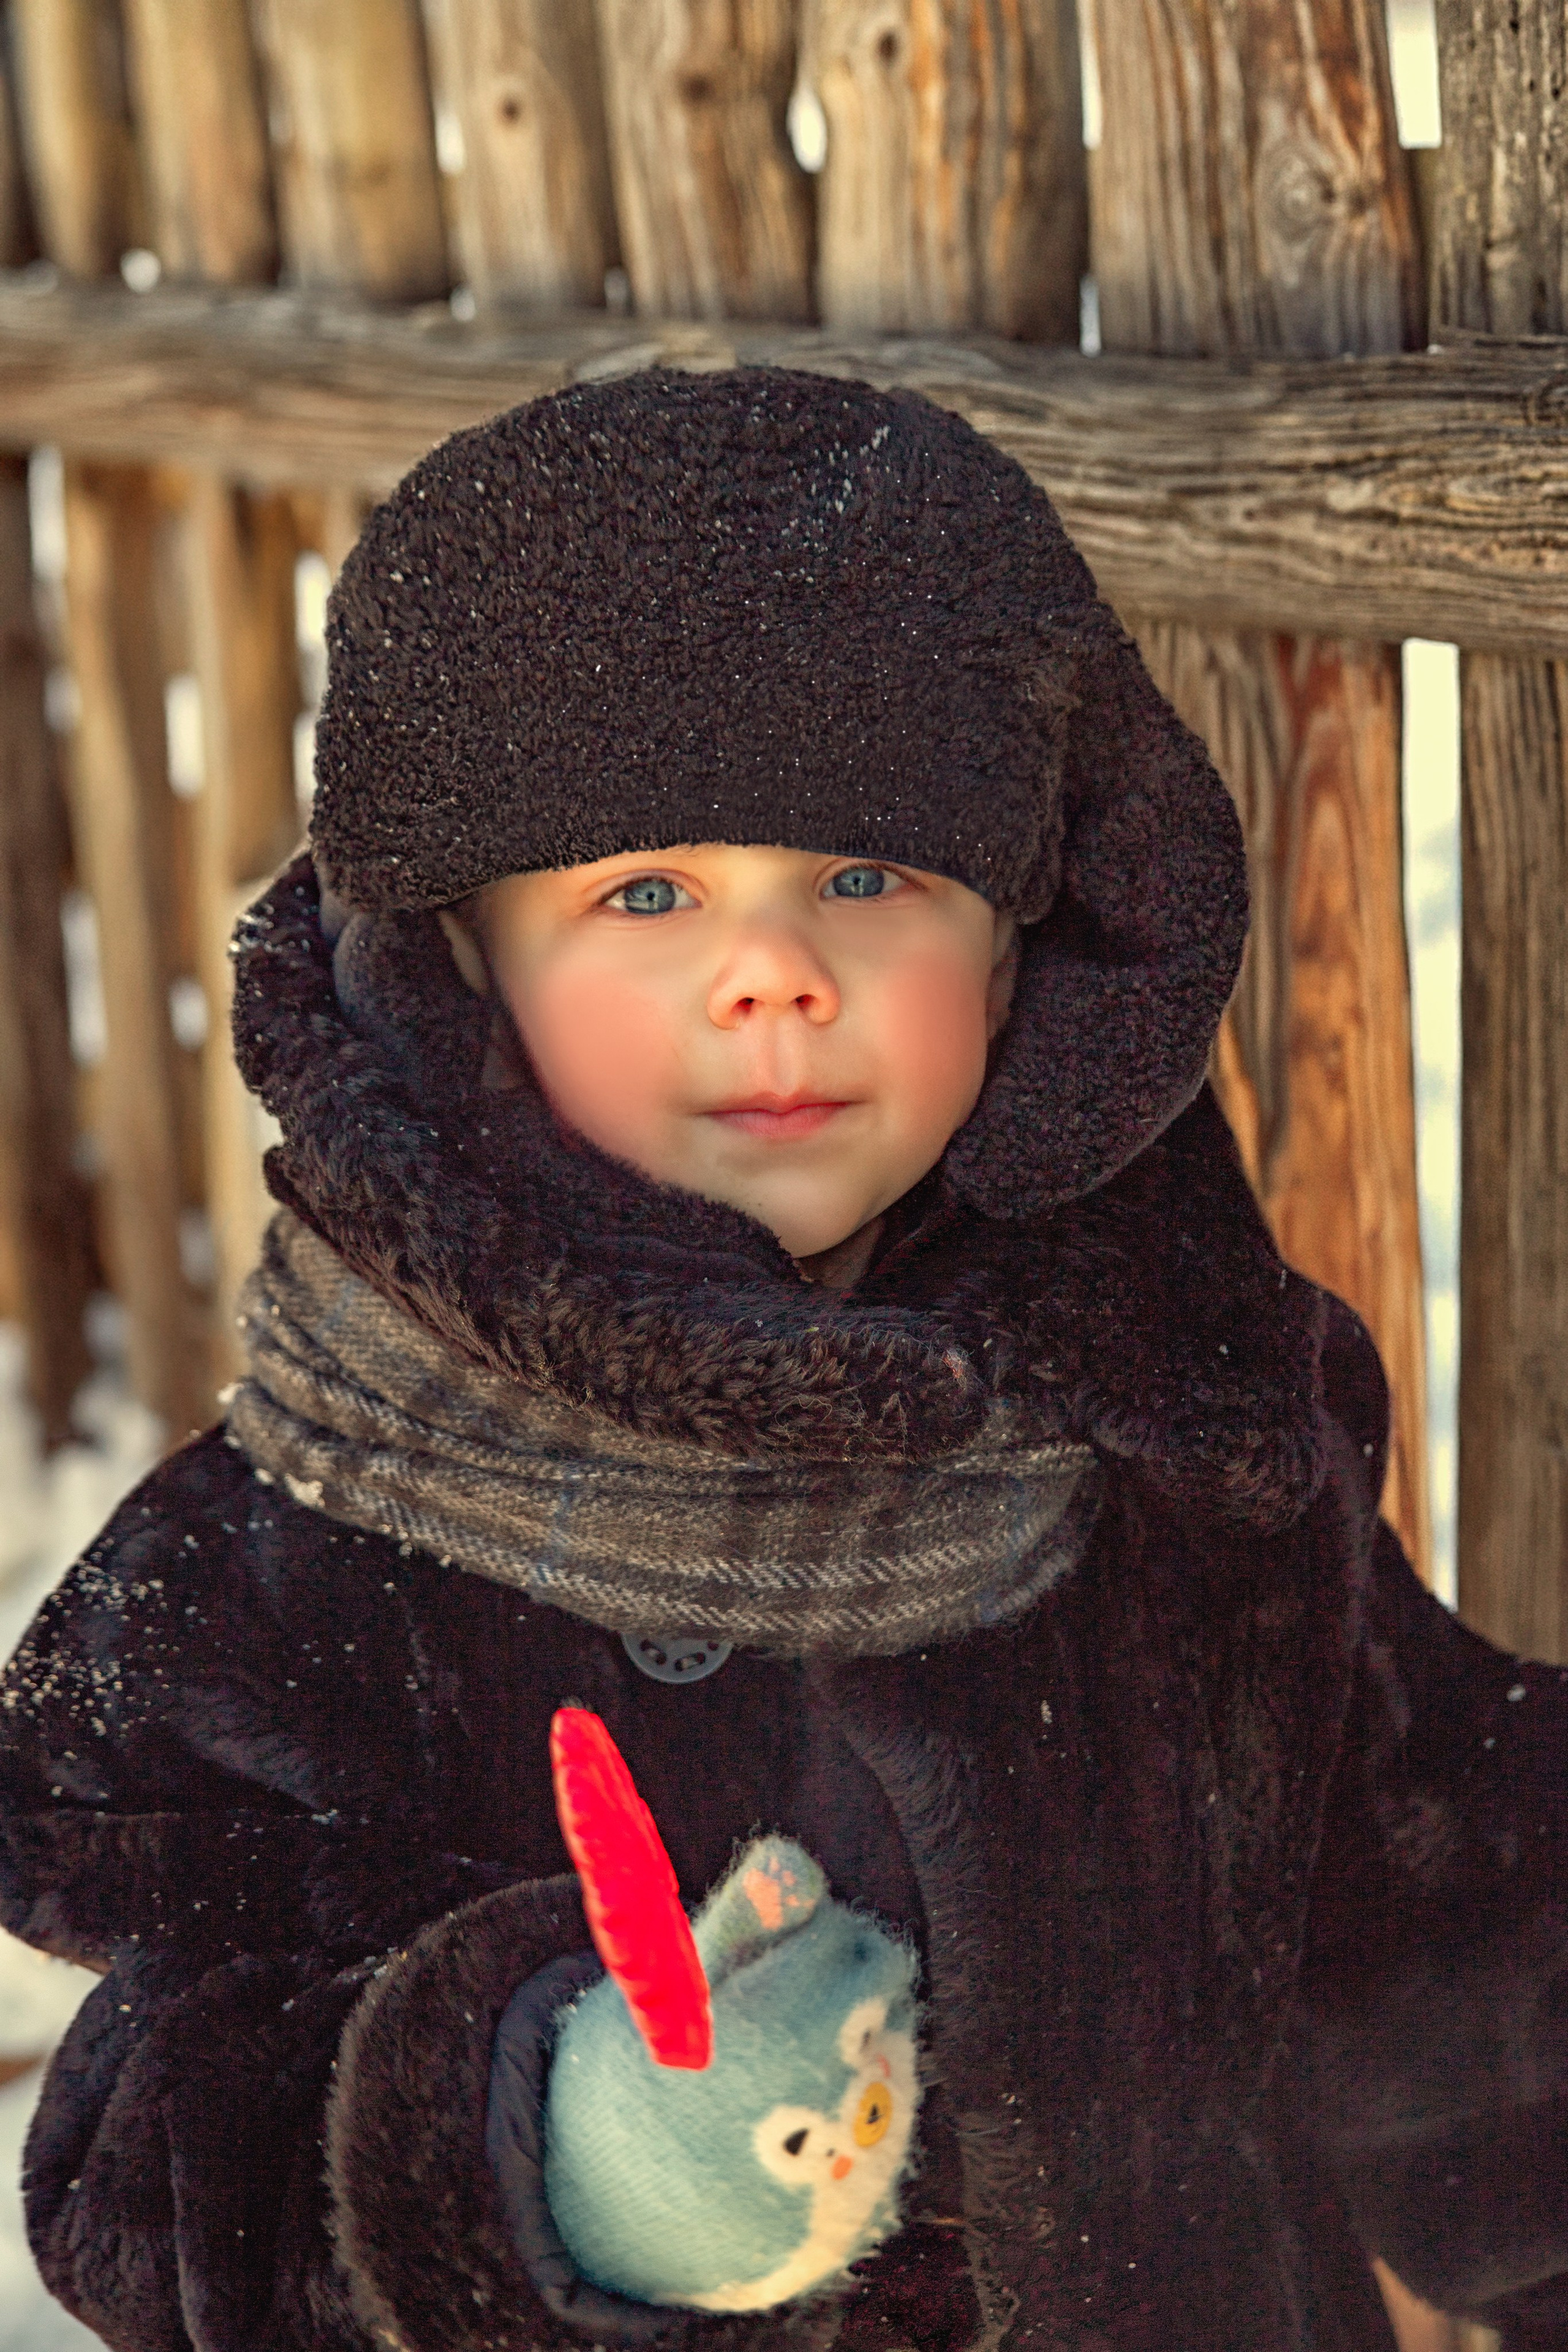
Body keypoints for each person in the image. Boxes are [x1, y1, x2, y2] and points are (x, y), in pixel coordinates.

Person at [2, 369, 1565, 2352]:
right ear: (462, 968)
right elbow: (148, 2169)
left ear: (1017, 952)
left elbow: (1437, 1926)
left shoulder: (1181, 1427)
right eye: (645, 894)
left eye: (868, 878)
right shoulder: (323, 1532)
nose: (779, 971)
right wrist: (541, 2139)